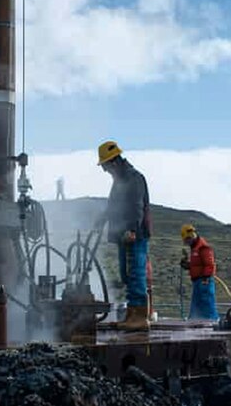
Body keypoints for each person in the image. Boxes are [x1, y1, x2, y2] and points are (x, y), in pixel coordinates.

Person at [95, 141, 152, 331]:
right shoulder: (119, 181)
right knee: (127, 275)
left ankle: (140, 318)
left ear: (113, 162)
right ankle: (131, 314)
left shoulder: (134, 178)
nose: (104, 171)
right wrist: (101, 221)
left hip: (134, 235)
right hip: (123, 235)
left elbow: (136, 207)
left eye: (104, 166)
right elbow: (113, 206)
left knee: (135, 274)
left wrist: (133, 230)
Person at [179, 224, 219, 321]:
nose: (186, 242)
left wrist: (205, 278)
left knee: (206, 303)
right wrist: (188, 265)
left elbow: (209, 264)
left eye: (187, 240)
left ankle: (211, 322)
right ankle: (195, 321)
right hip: (197, 281)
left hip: (204, 281)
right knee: (197, 304)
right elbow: (198, 265)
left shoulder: (203, 247)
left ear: (191, 237)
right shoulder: (195, 248)